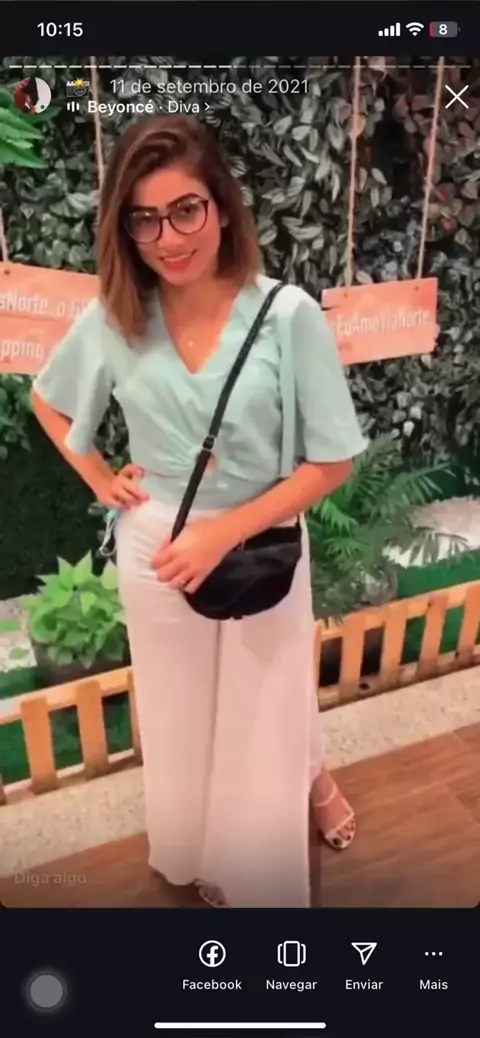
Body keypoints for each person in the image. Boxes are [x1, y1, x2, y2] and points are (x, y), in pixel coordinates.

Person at [31, 115, 367, 908]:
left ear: (221, 206)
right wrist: (97, 476)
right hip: (156, 549)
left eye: (185, 210)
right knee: (180, 716)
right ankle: (195, 853)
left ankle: (265, 855)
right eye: (144, 219)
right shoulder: (116, 316)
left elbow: (333, 462)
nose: (168, 238)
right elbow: (49, 400)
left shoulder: (287, 316)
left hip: (258, 540)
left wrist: (223, 532)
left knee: (264, 713)